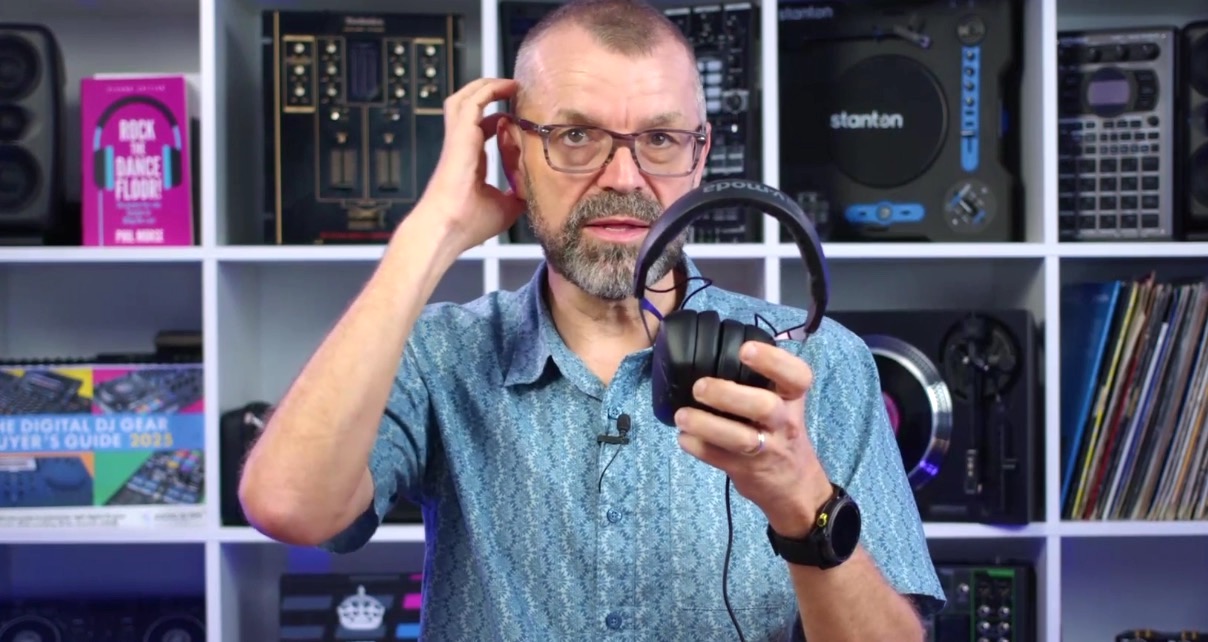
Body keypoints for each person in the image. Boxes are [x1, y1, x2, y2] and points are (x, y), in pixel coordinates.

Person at [239, 0, 946, 639]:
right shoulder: (440, 355)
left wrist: (804, 506)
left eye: (661, 140)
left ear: (701, 158)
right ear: (513, 155)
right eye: (577, 136)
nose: (624, 177)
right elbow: (288, 505)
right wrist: (430, 234)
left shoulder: (819, 362)